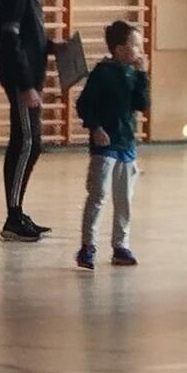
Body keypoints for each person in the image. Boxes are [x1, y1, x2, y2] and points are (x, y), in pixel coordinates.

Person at [0, 0, 59, 241]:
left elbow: (30, 37)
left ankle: (17, 211)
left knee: (31, 143)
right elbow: (11, 39)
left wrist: (52, 46)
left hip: (30, 76)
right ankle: (12, 216)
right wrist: (24, 84)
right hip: (23, 80)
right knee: (26, 143)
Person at [73, 19, 149, 270]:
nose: (139, 50)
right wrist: (95, 127)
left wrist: (142, 75)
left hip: (126, 144)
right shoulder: (102, 74)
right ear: (119, 49)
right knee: (98, 195)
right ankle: (88, 245)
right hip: (105, 145)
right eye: (135, 45)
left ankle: (121, 245)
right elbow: (83, 104)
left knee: (124, 198)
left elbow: (141, 103)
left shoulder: (133, 74)